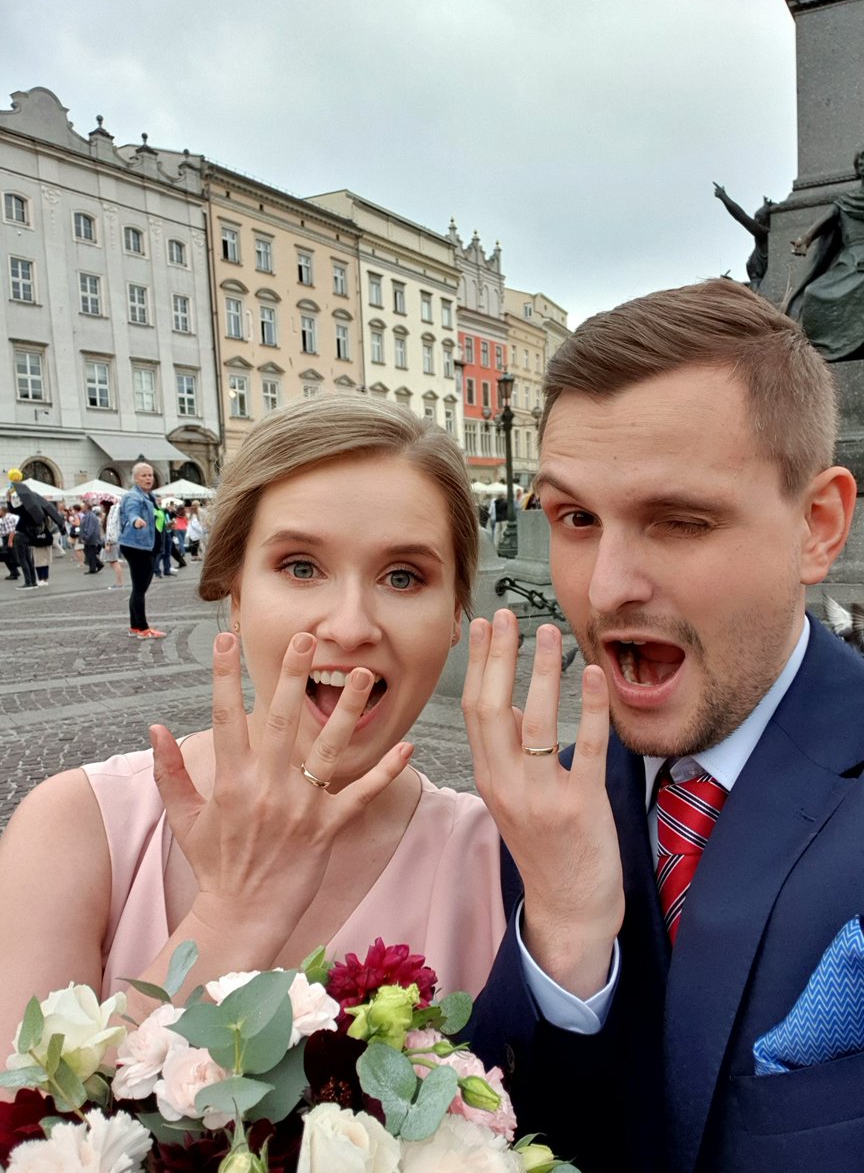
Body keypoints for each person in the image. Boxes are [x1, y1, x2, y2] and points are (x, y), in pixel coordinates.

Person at [465, 278, 864, 1171]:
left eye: (680, 521)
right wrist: (564, 936)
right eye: (576, 519)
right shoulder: (544, 804)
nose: (606, 586)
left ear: (818, 527)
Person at [0, 396, 507, 1051]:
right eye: (301, 567)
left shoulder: (497, 863)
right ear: (236, 594)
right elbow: (34, 1112)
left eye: (404, 577)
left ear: (456, 613)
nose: (351, 625)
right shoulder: (76, 830)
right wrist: (231, 916)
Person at [788, 142, 864, 359]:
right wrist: (805, 239)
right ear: (857, 168)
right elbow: (824, 223)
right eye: (863, 156)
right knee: (813, 291)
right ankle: (821, 349)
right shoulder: (846, 201)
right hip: (849, 262)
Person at [119, 463, 166, 639]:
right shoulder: (133, 496)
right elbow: (132, 513)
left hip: (146, 546)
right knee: (140, 589)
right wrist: (136, 521)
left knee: (138, 589)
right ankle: (143, 629)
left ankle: (135, 627)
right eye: (144, 475)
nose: (148, 478)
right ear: (135, 478)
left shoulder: (149, 495)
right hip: (137, 546)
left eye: (150, 475)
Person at [7, 472, 65, 590]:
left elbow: (13, 510)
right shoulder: (36, 512)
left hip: (20, 535)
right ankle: (33, 582)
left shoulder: (25, 509)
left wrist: (9, 499)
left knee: (22, 559)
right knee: (29, 559)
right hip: (28, 536)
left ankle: (28, 582)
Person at [101, 500, 125, 588]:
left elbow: (110, 530)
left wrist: (108, 543)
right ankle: (119, 582)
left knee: (114, 562)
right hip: (112, 541)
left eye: (102, 506)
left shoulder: (110, 516)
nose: (101, 508)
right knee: (113, 562)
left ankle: (119, 583)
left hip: (111, 541)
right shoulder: (109, 515)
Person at [79, 503, 104, 575]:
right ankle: (96, 565)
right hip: (90, 537)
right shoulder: (88, 515)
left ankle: (94, 567)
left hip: (91, 538)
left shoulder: (90, 516)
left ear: (86, 507)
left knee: (90, 552)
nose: (81, 508)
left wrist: (86, 537)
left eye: (83, 507)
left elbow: (90, 528)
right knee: (89, 552)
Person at [0, 504, 20, 580]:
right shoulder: (5, 518)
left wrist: (10, 541)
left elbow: (11, 531)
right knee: (7, 556)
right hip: (6, 538)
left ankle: (14, 572)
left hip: (9, 538)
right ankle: (14, 572)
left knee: (7, 556)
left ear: (3, 511)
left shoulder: (7, 518)